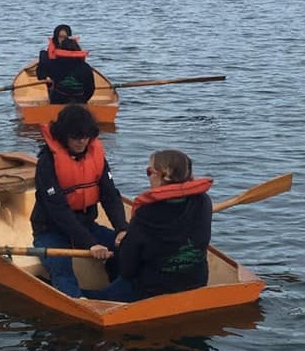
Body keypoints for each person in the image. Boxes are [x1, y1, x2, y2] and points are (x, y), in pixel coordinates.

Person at [84, 149, 212, 302]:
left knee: (89, 292)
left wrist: (121, 248)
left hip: (152, 289)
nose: (149, 177)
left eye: (149, 171)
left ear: (161, 176)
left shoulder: (146, 213)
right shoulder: (203, 201)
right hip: (196, 282)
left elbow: (127, 269)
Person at [31, 104, 129, 297]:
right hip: (51, 231)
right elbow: (57, 209)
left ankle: (119, 295)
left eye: (85, 136)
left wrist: (121, 229)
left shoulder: (96, 156)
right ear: (63, 135)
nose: (81, 142)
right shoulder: (47, 162)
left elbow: (110, 196)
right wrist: (89, 243)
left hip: (86, 225)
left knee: (127, 249)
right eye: (75, 137)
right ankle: (76, 301)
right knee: (62, 267)